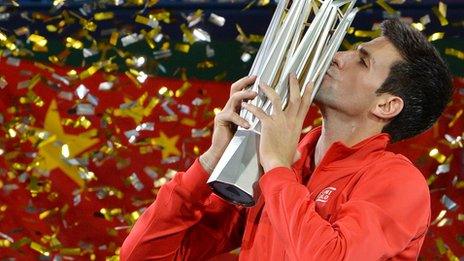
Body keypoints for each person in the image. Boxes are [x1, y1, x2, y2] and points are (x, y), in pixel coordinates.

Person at [120, 19, 453, 260]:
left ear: (387, 105)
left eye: (362, 61)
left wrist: (279, 167)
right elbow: (142, 254)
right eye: (351, 50)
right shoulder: (282, 163)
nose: (338, 56)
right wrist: (212, 159)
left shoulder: (397, 182)